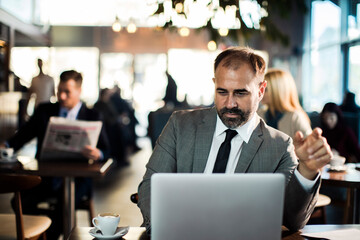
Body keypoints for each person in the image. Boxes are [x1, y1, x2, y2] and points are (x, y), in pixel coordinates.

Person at [137, 47, 332, 234]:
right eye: (222, 92)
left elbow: (293, 219)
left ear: (261, 90)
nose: (230, 103)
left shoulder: (280, 146)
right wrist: (165, 232)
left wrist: (307, 170)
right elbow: (150, 187)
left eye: (240, 93)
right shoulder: (180, 125)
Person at [2, 70, 110, 239]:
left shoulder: (92, 115)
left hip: (78, 179)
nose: (61, 96)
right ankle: (44, 230)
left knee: (64, 205)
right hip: (46, 176)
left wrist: (99, 153)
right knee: (20, 201)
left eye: (67, 92)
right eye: (59, 91)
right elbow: (23, 135)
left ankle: (47, 235)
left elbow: (107, 149)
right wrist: (5, 145)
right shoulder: (45, 110)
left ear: (79, 91)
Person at [258, 68, 312, 137]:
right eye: (260, 88)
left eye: (266, 89)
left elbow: (309, 144)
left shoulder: (296, 117)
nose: (260, 92)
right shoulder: (260, 114)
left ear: (278, 91)